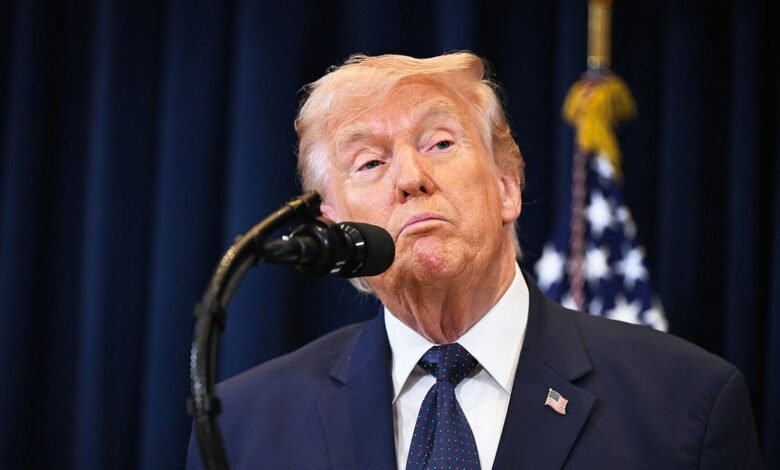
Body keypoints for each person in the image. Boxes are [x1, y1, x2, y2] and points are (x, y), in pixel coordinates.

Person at [187, 52, 764, 469]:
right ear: (336, 229)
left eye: (440, 143)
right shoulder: (245, 427)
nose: (410, 178)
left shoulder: (687, 404)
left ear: (508, 186)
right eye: (370, 162)